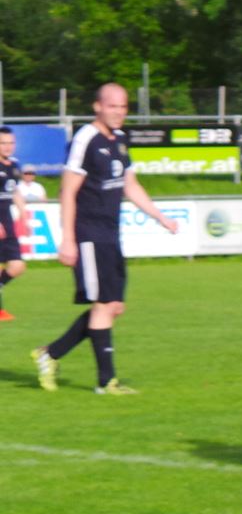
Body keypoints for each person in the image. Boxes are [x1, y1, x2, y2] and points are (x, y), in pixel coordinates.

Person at [32, 84, 178, 394]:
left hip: (111, 234)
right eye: (113, 106)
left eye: (124, 107)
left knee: (113, 306)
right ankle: (106, 382)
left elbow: (130, 184)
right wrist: (68, 239)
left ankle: (50, 354)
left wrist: (160, 216)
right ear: (97, 106)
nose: (119, 112)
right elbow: (67, 191)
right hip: (88, 234)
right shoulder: (86, 139)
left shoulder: (120, 140)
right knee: (103, 305)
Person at [0, 129, 33, 320]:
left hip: (8, 223)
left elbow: (15, 192)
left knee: (17, 266)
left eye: (10, 143)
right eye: (3, 143)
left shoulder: (13, 165)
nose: (8, 146)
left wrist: (24, 215)